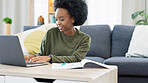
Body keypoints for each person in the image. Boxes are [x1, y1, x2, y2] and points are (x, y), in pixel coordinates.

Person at [24, 0, 90, 83]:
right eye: (56, 19)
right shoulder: (51, 33)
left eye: (61, 19)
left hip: (71, 76)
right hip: (48, 74)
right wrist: (32, 57)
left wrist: (51, 58)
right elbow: (43, 55)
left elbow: (76, 59)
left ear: (73, 18)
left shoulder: (84, 39)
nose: (58, 23)